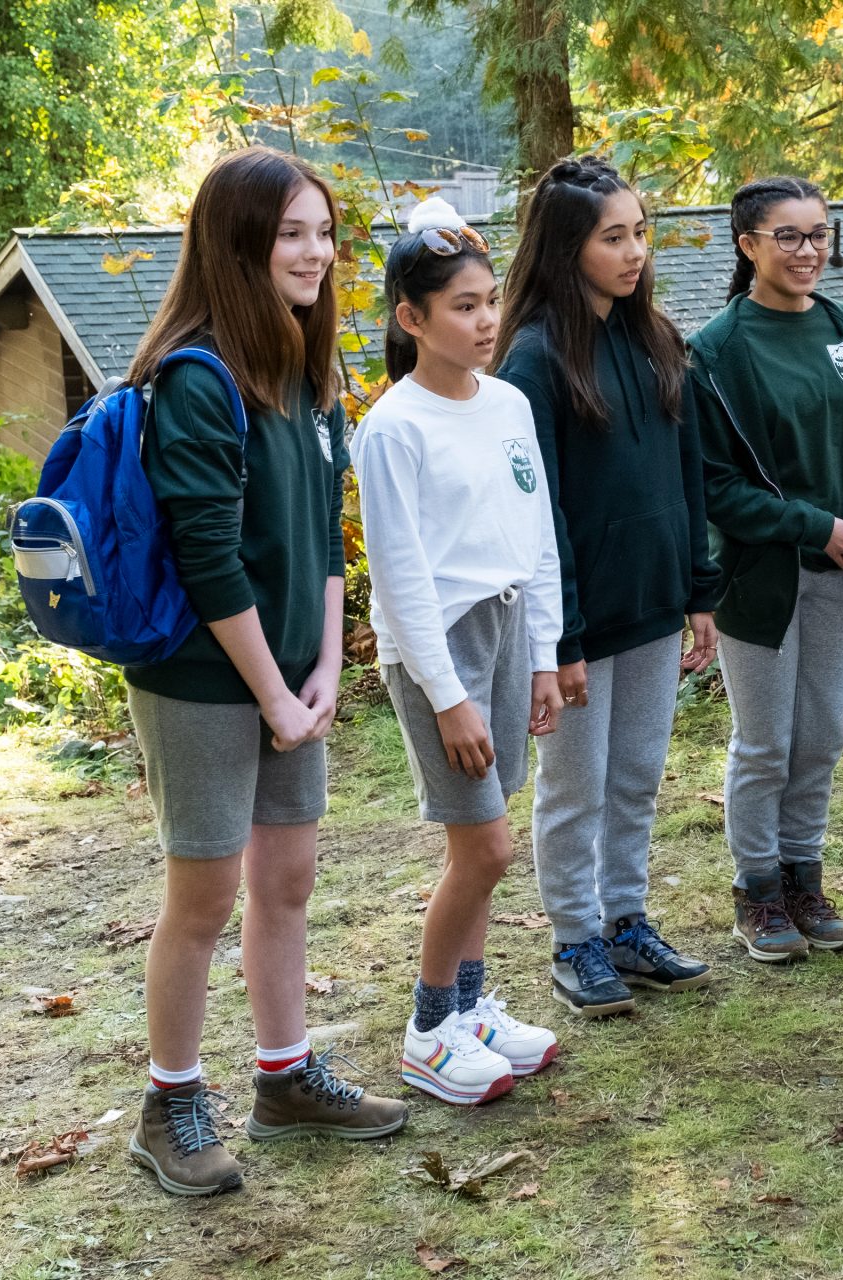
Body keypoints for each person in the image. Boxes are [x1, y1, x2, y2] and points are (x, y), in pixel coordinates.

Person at [122, 146, 405, 1196]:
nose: (317, 253)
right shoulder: (197, 378)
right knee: (201, 895)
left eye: (324, 233)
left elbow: (328, 536)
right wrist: (274, 690)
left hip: (296, 672)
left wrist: (327, 664)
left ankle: (284, 1078)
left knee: (285, 881)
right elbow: (208, 553)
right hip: (201, 676)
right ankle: (170, 1102)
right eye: (292, 233)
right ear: (237, 240)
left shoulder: (309, 370)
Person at [493, 156, 721, 1017]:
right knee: (574, 789)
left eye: (639, 232)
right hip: (579, 626)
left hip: (657, 608)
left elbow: (687, 474)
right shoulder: (533, 360)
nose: (634, 253)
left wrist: (699, 591)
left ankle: (627, 922)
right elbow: (538, 518)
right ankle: (576, 939)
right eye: (613, 237)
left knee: (635, 776)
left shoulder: (657, 339)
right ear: (566, 248)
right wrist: (564, 639)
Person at [353, 196, 564, 1104]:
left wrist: (546, 653)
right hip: (440, 647)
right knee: (483, 849)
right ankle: (430, 1026)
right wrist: (448, 694)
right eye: (463, 307)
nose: (484, 322)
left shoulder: (510, 402)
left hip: (510, 625)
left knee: (485, 840)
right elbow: (397, 575)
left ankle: (471, 1009)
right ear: (412, 318)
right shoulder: (393, 427)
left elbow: (538, 532)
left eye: (490, 302)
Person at [690, 175, 843, 962]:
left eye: (819, 234)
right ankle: (758, 891)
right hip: (763, 582)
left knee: (819, 738)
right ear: (748, 245)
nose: (809, 249)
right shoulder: (717, 351)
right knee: (765, 743)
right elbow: (717, 486)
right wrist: (818, 528)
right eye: (790, 235)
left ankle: (804, 879)